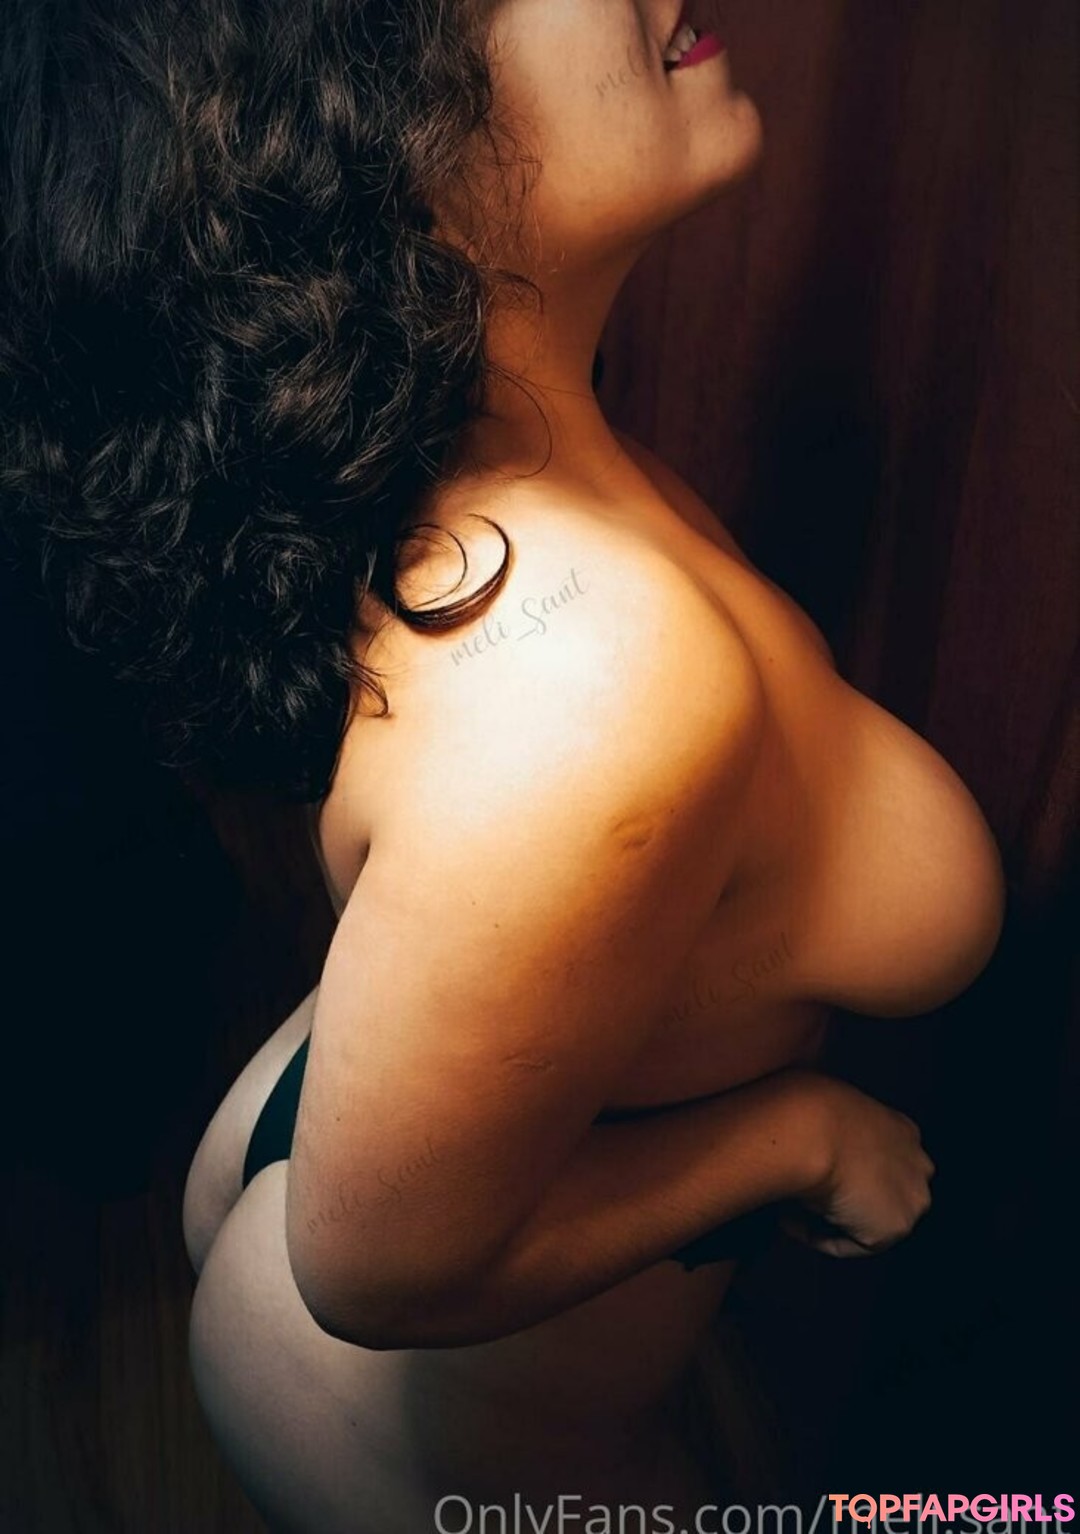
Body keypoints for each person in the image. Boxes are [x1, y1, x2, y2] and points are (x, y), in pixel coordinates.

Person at [2, 1, 1006, 1528]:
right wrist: (795, 1141)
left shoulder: (486, 463)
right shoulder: (593, 686)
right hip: (425, 1416)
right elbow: (376, 1268)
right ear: (369, 149)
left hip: (354, 1135)